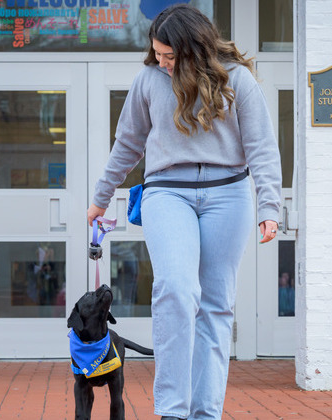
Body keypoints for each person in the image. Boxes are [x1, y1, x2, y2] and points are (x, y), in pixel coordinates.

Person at [86, 4, 282, 419]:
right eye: (157, 54)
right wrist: (101, 196)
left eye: (170, 56)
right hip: (167, 193)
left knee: (215, 305)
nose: (162, 63)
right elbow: (127, 143)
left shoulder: (238, 80)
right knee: (176, 289)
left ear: (195, 49)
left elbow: (262, 148)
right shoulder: (148, 80)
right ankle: (173, 410)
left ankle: (205, 412)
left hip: (228, 194)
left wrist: (270, 205)